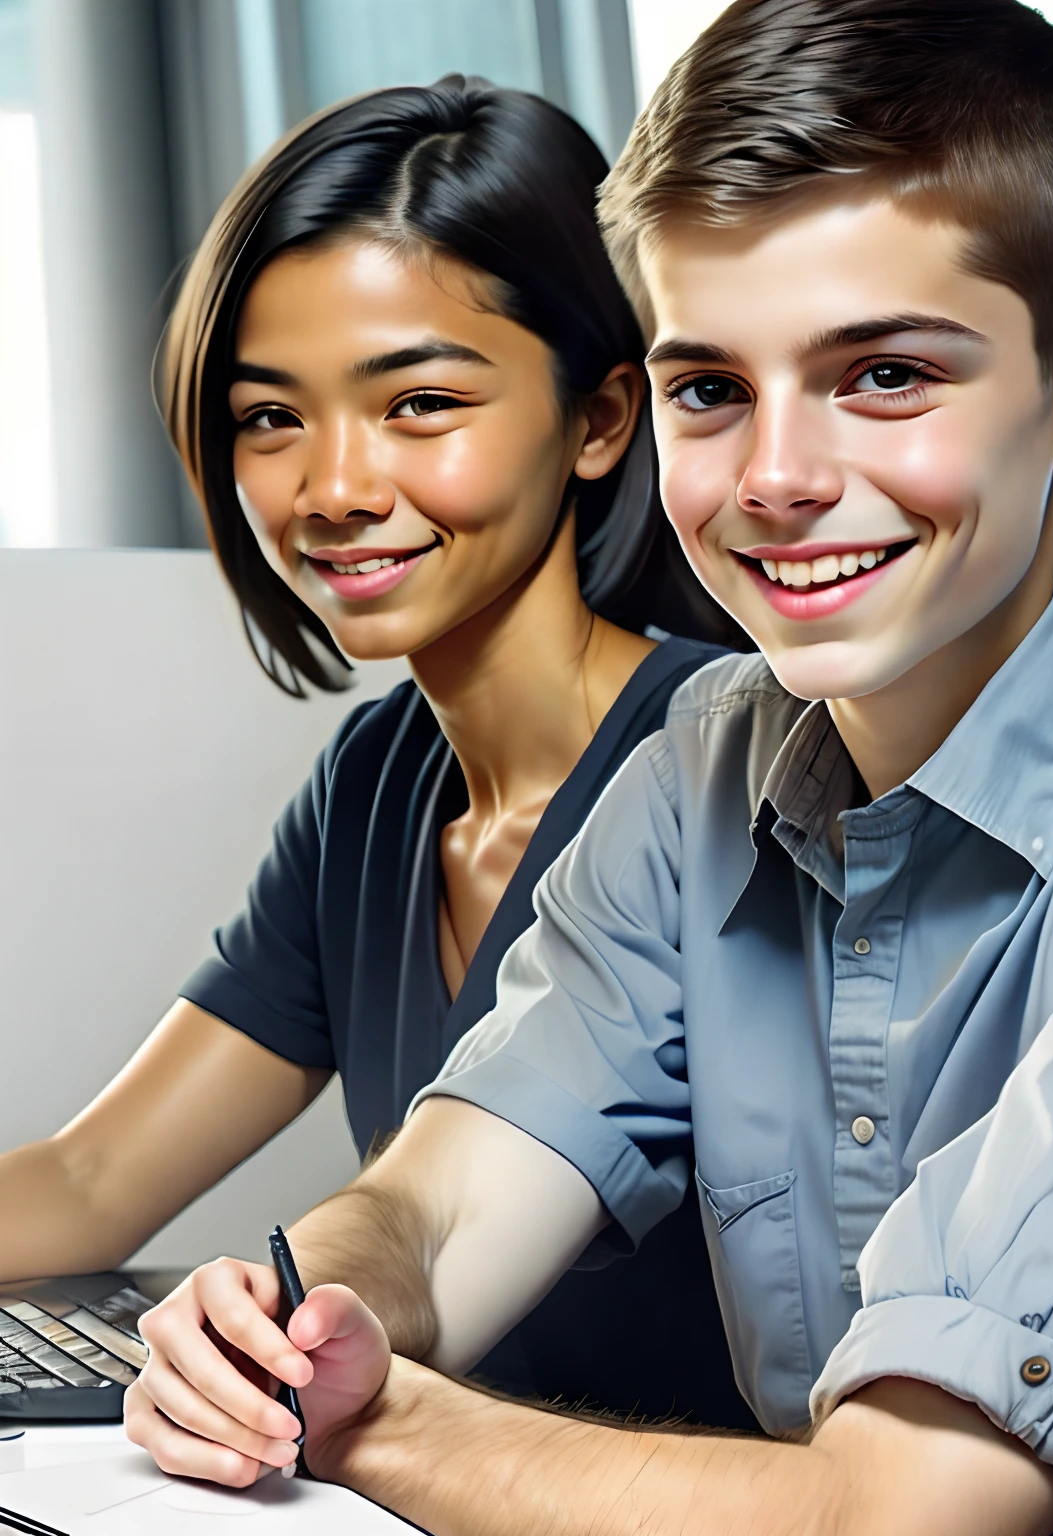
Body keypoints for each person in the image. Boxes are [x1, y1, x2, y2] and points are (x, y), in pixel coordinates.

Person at [123, 0, 1053, 1530]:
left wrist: (378, 1428)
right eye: (712, 389)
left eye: (884, 376)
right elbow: (445, 1200)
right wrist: (308, 1317)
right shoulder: (697, 772)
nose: (782, 479)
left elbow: (904, 1513)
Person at [0, 78, 760, 1428]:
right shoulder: (378, 781)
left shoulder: (738, 767)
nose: (334, 486)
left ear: (599, 420)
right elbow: (92, 1178)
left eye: (417, 404)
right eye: (269, 417)